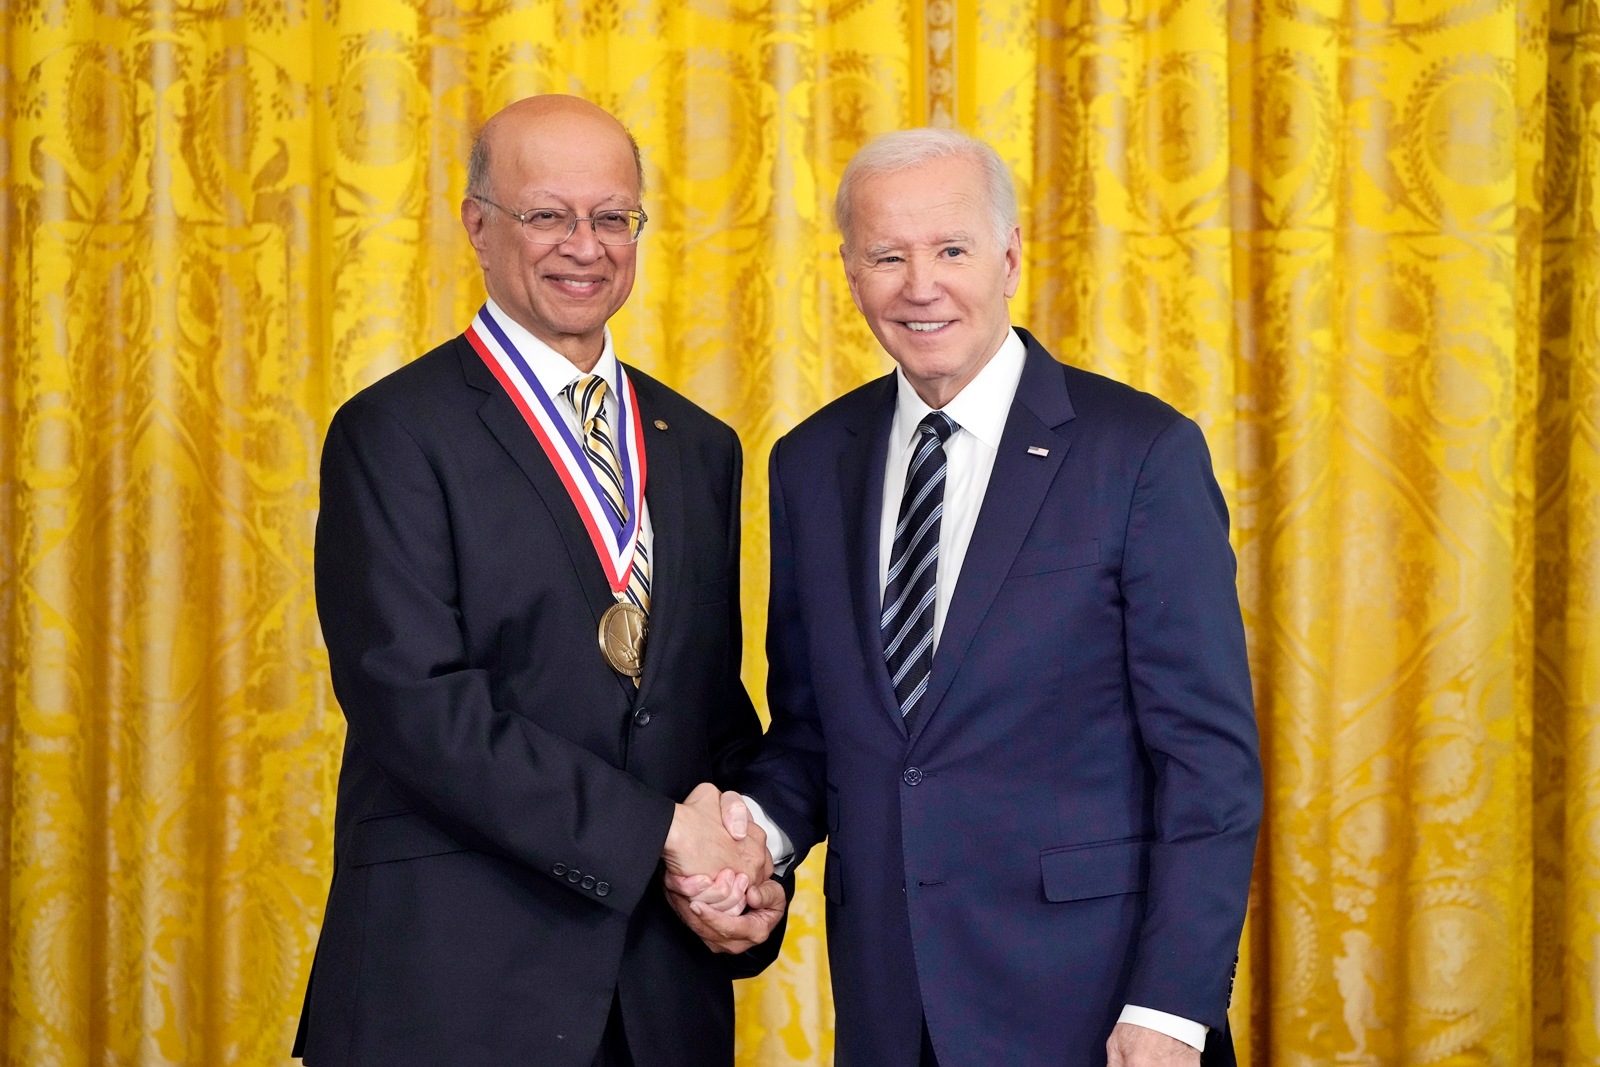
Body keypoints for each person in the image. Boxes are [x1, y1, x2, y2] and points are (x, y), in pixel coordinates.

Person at [667, 128, 1263, 1067]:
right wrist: (757, 841)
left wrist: (1174, 1006)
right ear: (850, 272)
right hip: (891, 1008)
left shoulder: (1140, 452)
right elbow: (816, 730)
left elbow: (1209, 761)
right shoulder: (811, 463)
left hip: (1100, 1013)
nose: (920, 284)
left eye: (951, 249)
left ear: (1012, 255)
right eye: (887, 255)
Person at [293, 94, 782, 1067]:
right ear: (477, 225)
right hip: (455, 988)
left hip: (658, 994)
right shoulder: (394, 432)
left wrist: (748, 876)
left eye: (612, 217)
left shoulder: (699, 446)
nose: (585, 246)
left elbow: (704, 703)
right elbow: (416, 704)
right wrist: (658, 834)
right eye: (548, 214)